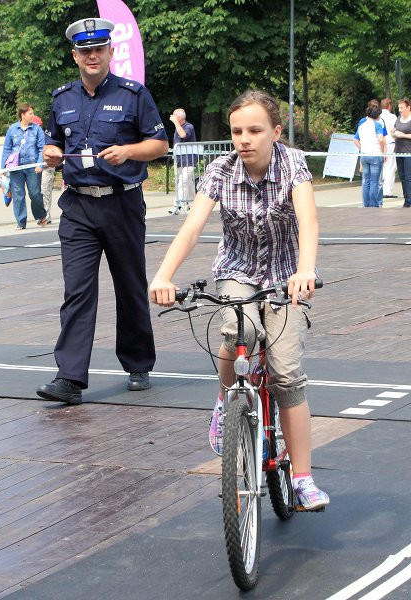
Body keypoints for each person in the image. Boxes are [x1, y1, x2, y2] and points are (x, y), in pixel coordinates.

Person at [149, 90, 329, 511]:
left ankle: (302, 478)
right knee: (240, 329)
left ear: (276, 132)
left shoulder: (293, 164)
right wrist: (163, 275)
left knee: (286, 374)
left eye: (254, 130)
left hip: (288, 275)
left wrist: (305, 270)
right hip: (237, 270)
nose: (243, 139)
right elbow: (193, 226)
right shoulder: (220, 170)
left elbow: (309, 220)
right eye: (236, 131)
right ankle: (226, 400)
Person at [35, 17, 169, 405]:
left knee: (129, 286)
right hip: (78, 205)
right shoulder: (62, 99)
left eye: (99, 49)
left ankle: (138, 362)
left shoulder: (133, 94)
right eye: (85, 51)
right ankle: (70, 378)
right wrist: (50, 155)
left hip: (122, 201)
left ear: (111, 52)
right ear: (75, 56)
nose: (92, 56)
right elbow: (51, 148)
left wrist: (129, 151)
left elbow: (158, 144)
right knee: (77, 290)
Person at [1, 104, 47, 229]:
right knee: (18, 194)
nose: (33, 116)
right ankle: (21, 222)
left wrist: (39, 164)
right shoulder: (12, 129)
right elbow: (7, 148)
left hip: (33, 167)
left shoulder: (37, 129)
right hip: (16, 167)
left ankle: (41, 216)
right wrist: (3, 168)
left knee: (35, 193)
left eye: (33, 113)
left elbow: (41, 149)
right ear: (23, 115)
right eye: (30, 113)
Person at [354, 104, 386, 207]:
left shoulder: (362, 126)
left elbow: (355, 140)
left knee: (366, 181)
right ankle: (373, 204)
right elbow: (381, 139)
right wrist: (383, 152)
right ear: (377, 115)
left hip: (364, 156)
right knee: (374, 181)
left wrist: (362, 149)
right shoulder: (377, 125)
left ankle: (366, 204)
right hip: (375, 155)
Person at [169, 108, 198, 215]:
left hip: (189, 161)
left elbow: (183, 135)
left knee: (183, 182)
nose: (171, 117)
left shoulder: (189, 127)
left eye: (174, 115)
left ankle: (178, 205)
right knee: (188, 183)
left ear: (179, 118)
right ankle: (193, 205)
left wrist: (176, 123)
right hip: (180, 161)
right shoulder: (178, 128)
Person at [34, 113, 56, 225]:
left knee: (45, 190)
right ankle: (44, 215)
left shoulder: (45, 136)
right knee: (39, 193)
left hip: (47, 167)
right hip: (38, 167)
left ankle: (46, 215)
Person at [392, 98, 411, 208]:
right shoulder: (398, 119)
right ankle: (406, 198)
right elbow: (394, 131)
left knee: (409, 177)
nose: (400, 110)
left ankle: (409, 200)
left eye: (402, 108)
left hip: (409, 152)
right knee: (402, 176)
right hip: (399, 151)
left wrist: (402, 135)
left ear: (408, 107)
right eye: (399, 108)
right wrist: (393, 133)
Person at [380, 98, 398, 198]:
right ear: (389, 106)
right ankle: (387, 191)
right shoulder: (392, 117)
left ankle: (381, 189)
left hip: (380, 145)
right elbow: (395, 130)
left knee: (383, 167)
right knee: (390, 167)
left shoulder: (378, 116)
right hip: (390, 144)